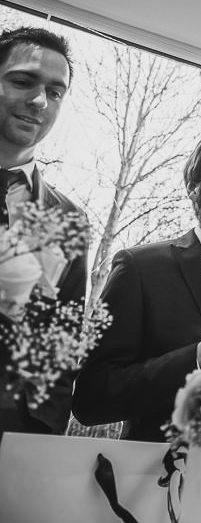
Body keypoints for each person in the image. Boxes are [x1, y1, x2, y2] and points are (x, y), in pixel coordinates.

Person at [73, 126, 201, 441]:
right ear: (194, 190)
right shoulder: (140, 268)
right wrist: (195, 359)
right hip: (156, 479)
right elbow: (91, 400)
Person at [0, 26, 87, 435]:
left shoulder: (69, 218)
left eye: (55, 92)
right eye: (22, 81)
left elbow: (60, 349)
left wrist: (39, 446)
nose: (38, 101)